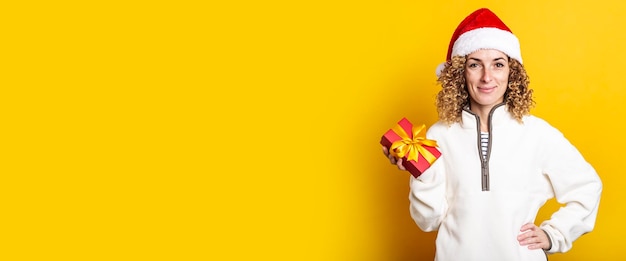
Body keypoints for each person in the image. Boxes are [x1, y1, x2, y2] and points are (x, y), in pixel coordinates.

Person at [382, 8, 602, 261]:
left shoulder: (537, 133)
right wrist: (421, 173)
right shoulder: (438, 136)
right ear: (459, 73)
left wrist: (555, 234)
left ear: (512, 72)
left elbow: (587, 187)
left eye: (498, 64)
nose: (487, 77)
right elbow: (427, 221)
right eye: (475, 65)